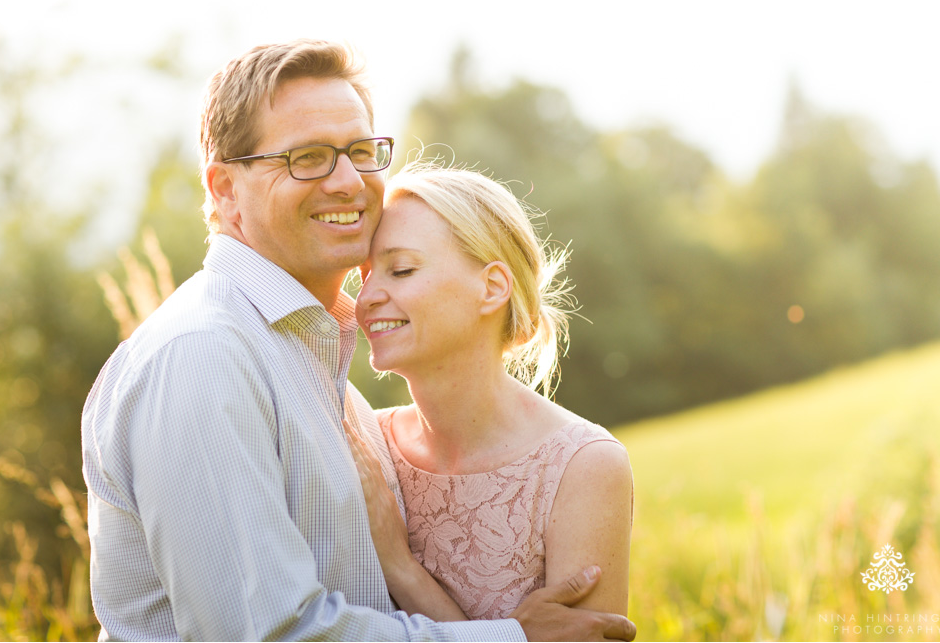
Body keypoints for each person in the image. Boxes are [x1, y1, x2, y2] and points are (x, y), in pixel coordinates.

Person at [80, 38, 637, 641]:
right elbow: (265, 633)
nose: (347, 181)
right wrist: (511, 640)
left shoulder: (322, 375)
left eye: (360, 152)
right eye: (308, 157)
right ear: (224, 189)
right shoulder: (204, 357)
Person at [346, 161, 634, 622]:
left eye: (400, 270)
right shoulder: (366, 445)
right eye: (363, 275)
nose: (366, 298)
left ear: (492, 287)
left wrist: (401, 569)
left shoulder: (583, 467)